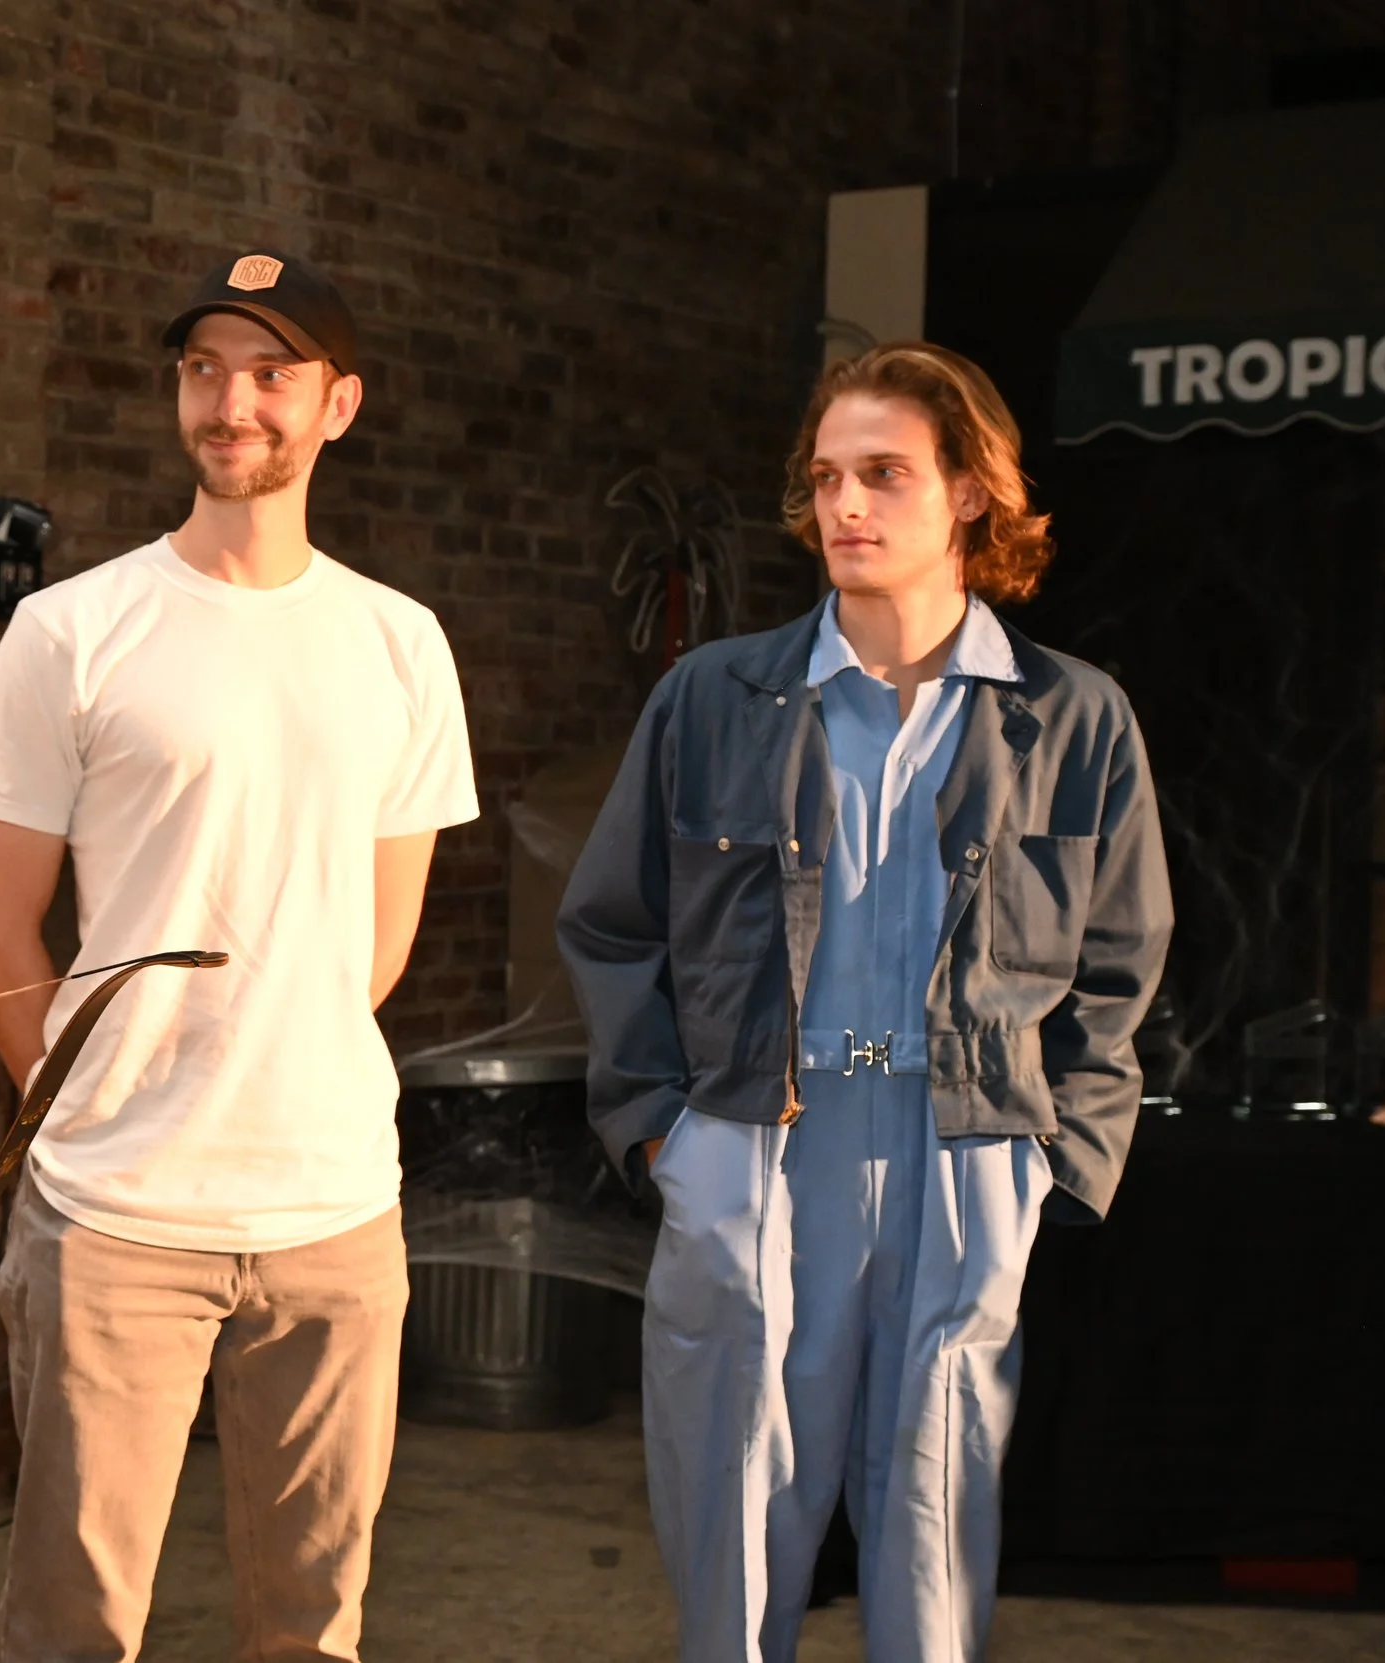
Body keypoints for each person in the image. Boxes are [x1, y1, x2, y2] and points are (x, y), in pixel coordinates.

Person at [557, 343, 1173, 1661]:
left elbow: (1121, 963)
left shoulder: (1071, 715)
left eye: (883, 473)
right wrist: (668, 1136)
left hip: (967, 1151)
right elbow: (611, 921)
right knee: (733, 1515)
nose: (844, 504)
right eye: (827, 476)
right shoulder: (714, 699)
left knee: (936, 1521)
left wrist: (1060, 1160)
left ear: (966, 493)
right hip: (754, 1143)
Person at [0, 252, 478, 1662]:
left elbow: (378, 940)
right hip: (112, 1214)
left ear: (338, 405)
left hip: (335, 1212)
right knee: (73, 1629)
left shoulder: (401, 644)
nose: (230, 400)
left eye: (270, 371)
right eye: (203, 368)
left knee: (310, 1629)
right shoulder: (70, 631)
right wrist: (79, 1107)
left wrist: (275, 1062)